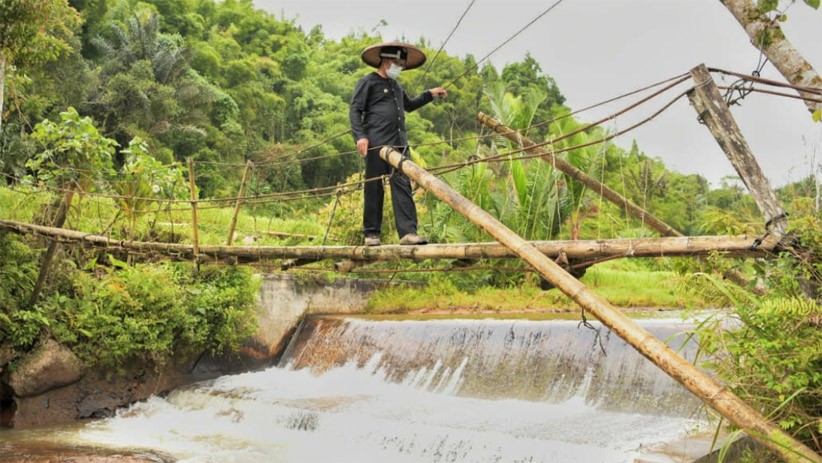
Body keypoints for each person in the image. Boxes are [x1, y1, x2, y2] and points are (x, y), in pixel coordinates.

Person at [349, 42, 448, 246]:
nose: (399, 67)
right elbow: (355, 110)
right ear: (385, 61)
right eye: (397, 63)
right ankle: (371, 234)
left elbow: (409, 105)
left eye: (402, 64)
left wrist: (430, 94)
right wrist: (360, 136)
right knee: (374, 186)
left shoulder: (396, 86)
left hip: (399, 144)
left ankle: (408, 233)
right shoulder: (368, 82)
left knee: (402, 185)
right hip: (376, 143)